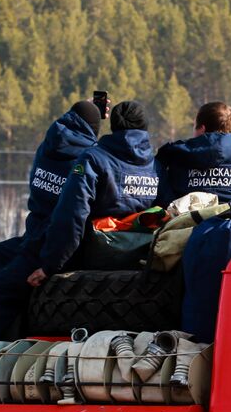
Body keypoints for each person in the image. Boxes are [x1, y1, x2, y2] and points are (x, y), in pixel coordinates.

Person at [0, 101, 101, 340]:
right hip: (49, 244)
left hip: (34, 234)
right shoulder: (88, 160)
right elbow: (70, 222)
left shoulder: (48, 146)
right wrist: (50, 263)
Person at [29, 99, 160, 285]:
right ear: (144, 126)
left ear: (113, 126)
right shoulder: (157, 166)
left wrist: (51, 265)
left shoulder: (93, 159)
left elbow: (72, 215)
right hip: (143, 260)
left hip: (95, 258)